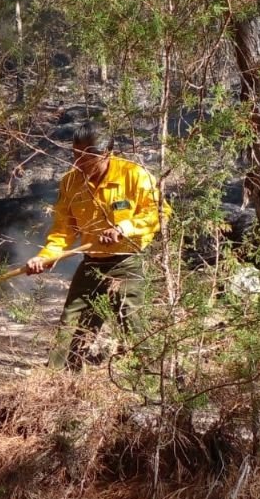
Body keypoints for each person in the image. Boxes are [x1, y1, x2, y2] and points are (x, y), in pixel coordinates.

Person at [26, 122, 170, 370]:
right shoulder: (70, 183)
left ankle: (153, 382)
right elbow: (63, 229)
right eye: (75, 155)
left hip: (126, 263)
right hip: (91, 264)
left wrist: (124, 229)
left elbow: (159, 213)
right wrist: (46, 256)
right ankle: (57, 383)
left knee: (132, 325)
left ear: (106, 153)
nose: (79, 163)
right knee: (72, 324)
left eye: (86, 156)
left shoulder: (135, 175)